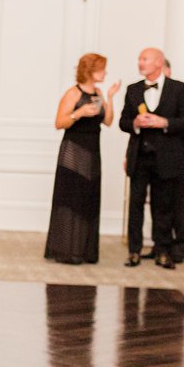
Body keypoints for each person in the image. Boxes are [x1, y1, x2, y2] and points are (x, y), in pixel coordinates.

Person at [119, 47, 184, 268]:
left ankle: (162, 250)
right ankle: (134, 251)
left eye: (145, 59)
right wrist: (134, 123)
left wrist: (165, 123)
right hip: (139, 157)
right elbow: (123, 122)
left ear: (159, 62)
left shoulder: (180, 90)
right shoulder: (133, 90)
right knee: (135, 204)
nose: (140, 63)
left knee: (163, 206)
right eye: (139, 58)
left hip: (167, 158)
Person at [44, 53, 120, 265]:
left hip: (93, 151)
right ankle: (67, 249)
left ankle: (85, 250)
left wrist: (111, 98)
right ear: (90, 71)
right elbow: (59, 123)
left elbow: (108, 121)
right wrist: (80, 113)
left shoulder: (98, 92)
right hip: (74, 151)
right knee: (72, 197)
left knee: (88, 197)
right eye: (102, 69)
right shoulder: (73, 93)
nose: (105, 73)